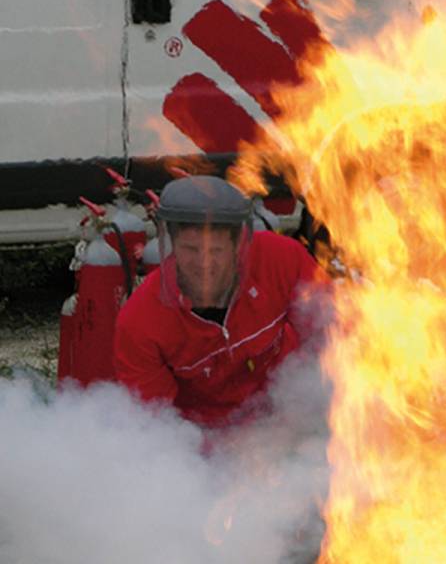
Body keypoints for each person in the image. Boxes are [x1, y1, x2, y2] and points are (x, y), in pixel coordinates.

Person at [112, 175, 326, 427]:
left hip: (288, 414)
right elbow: (152, 422)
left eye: (216, 251)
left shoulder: (283, 259)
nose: (203, 263)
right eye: (191, 250)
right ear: (171, 245)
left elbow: (334, 336)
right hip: (205, 440)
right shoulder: (140, 322)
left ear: (238, 246)